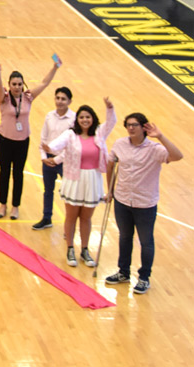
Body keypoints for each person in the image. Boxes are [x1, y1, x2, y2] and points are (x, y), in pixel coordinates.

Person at [105, 115, 185, 295]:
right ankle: (123, 272)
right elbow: (110, 165)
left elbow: (178, 156)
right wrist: (110, 190)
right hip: (123, 200)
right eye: (128, 125)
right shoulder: (119, 144)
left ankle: (144, 278)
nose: (131, 128)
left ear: (143, 128)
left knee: (146, 241)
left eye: (135, 125)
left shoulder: (155, 149)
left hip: (145, 204)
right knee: (124, 237)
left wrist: (161, 137)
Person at [43, 98, 116, 268]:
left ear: (93, 119)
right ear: (78, 120)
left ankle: (84, 249)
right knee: (71, 216)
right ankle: (70, 248)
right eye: (82, 117)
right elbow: (58, 144)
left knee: (86, 217)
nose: (85, 120)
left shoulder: (99, 133)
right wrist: (50, 149)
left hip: (92, 180)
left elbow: (111, 122)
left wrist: (110, 108)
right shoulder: (71, 134)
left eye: (88, 117)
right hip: (74, 179)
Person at [0, 57, 62, 220]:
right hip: (4, 140)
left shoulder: (28, 97)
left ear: (23, 85)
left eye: (19, 84)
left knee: (18, 173)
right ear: (9, 85)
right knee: (4, 172)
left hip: (22, 141)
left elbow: (44, 83)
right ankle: (3, 204)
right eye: (14, 84)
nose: (17, 87)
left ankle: (15, 206)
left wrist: (54, 68)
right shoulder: (5, 98)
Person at [31, 87, 76, 231]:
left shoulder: (74, 119)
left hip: (65, 161)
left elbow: (72, 146)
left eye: (63, 99)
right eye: (57, 98)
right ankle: (46, 217)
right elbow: (43, 138)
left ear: (69, 101)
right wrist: (44, 158)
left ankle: (70, 225)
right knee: (48, 190)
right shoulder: (49, 116)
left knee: (69, 194)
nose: (60, 101)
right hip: (48, 160)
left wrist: (57, 160)